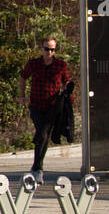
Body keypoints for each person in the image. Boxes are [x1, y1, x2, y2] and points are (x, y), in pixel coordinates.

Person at [20, 35, 71, 183]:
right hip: (36, 105)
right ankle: (37, 168)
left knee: (44, 135)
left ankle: (37, 169)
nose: (49, 53)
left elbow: (66, 82)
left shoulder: (60, 66)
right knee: (42, 134)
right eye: (47, 49)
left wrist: (67, 93)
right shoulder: (33, 64)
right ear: (41, 49)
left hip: (52, 107)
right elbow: (23, 77)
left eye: (52, 50)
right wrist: (22, 96)